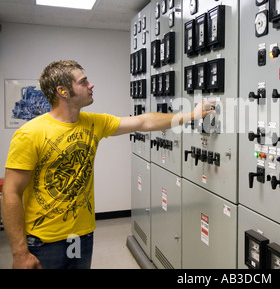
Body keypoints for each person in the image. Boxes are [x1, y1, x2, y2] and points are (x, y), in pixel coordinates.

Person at [1, 60, 214, 269]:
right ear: (63, 91)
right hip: (44, 241)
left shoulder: (93, 122)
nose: (90, 85)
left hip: (81, 236)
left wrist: (192, 114)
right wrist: (20, 252)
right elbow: (11, 193)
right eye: (83, 82)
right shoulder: (30, 133)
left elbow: (144, 121)